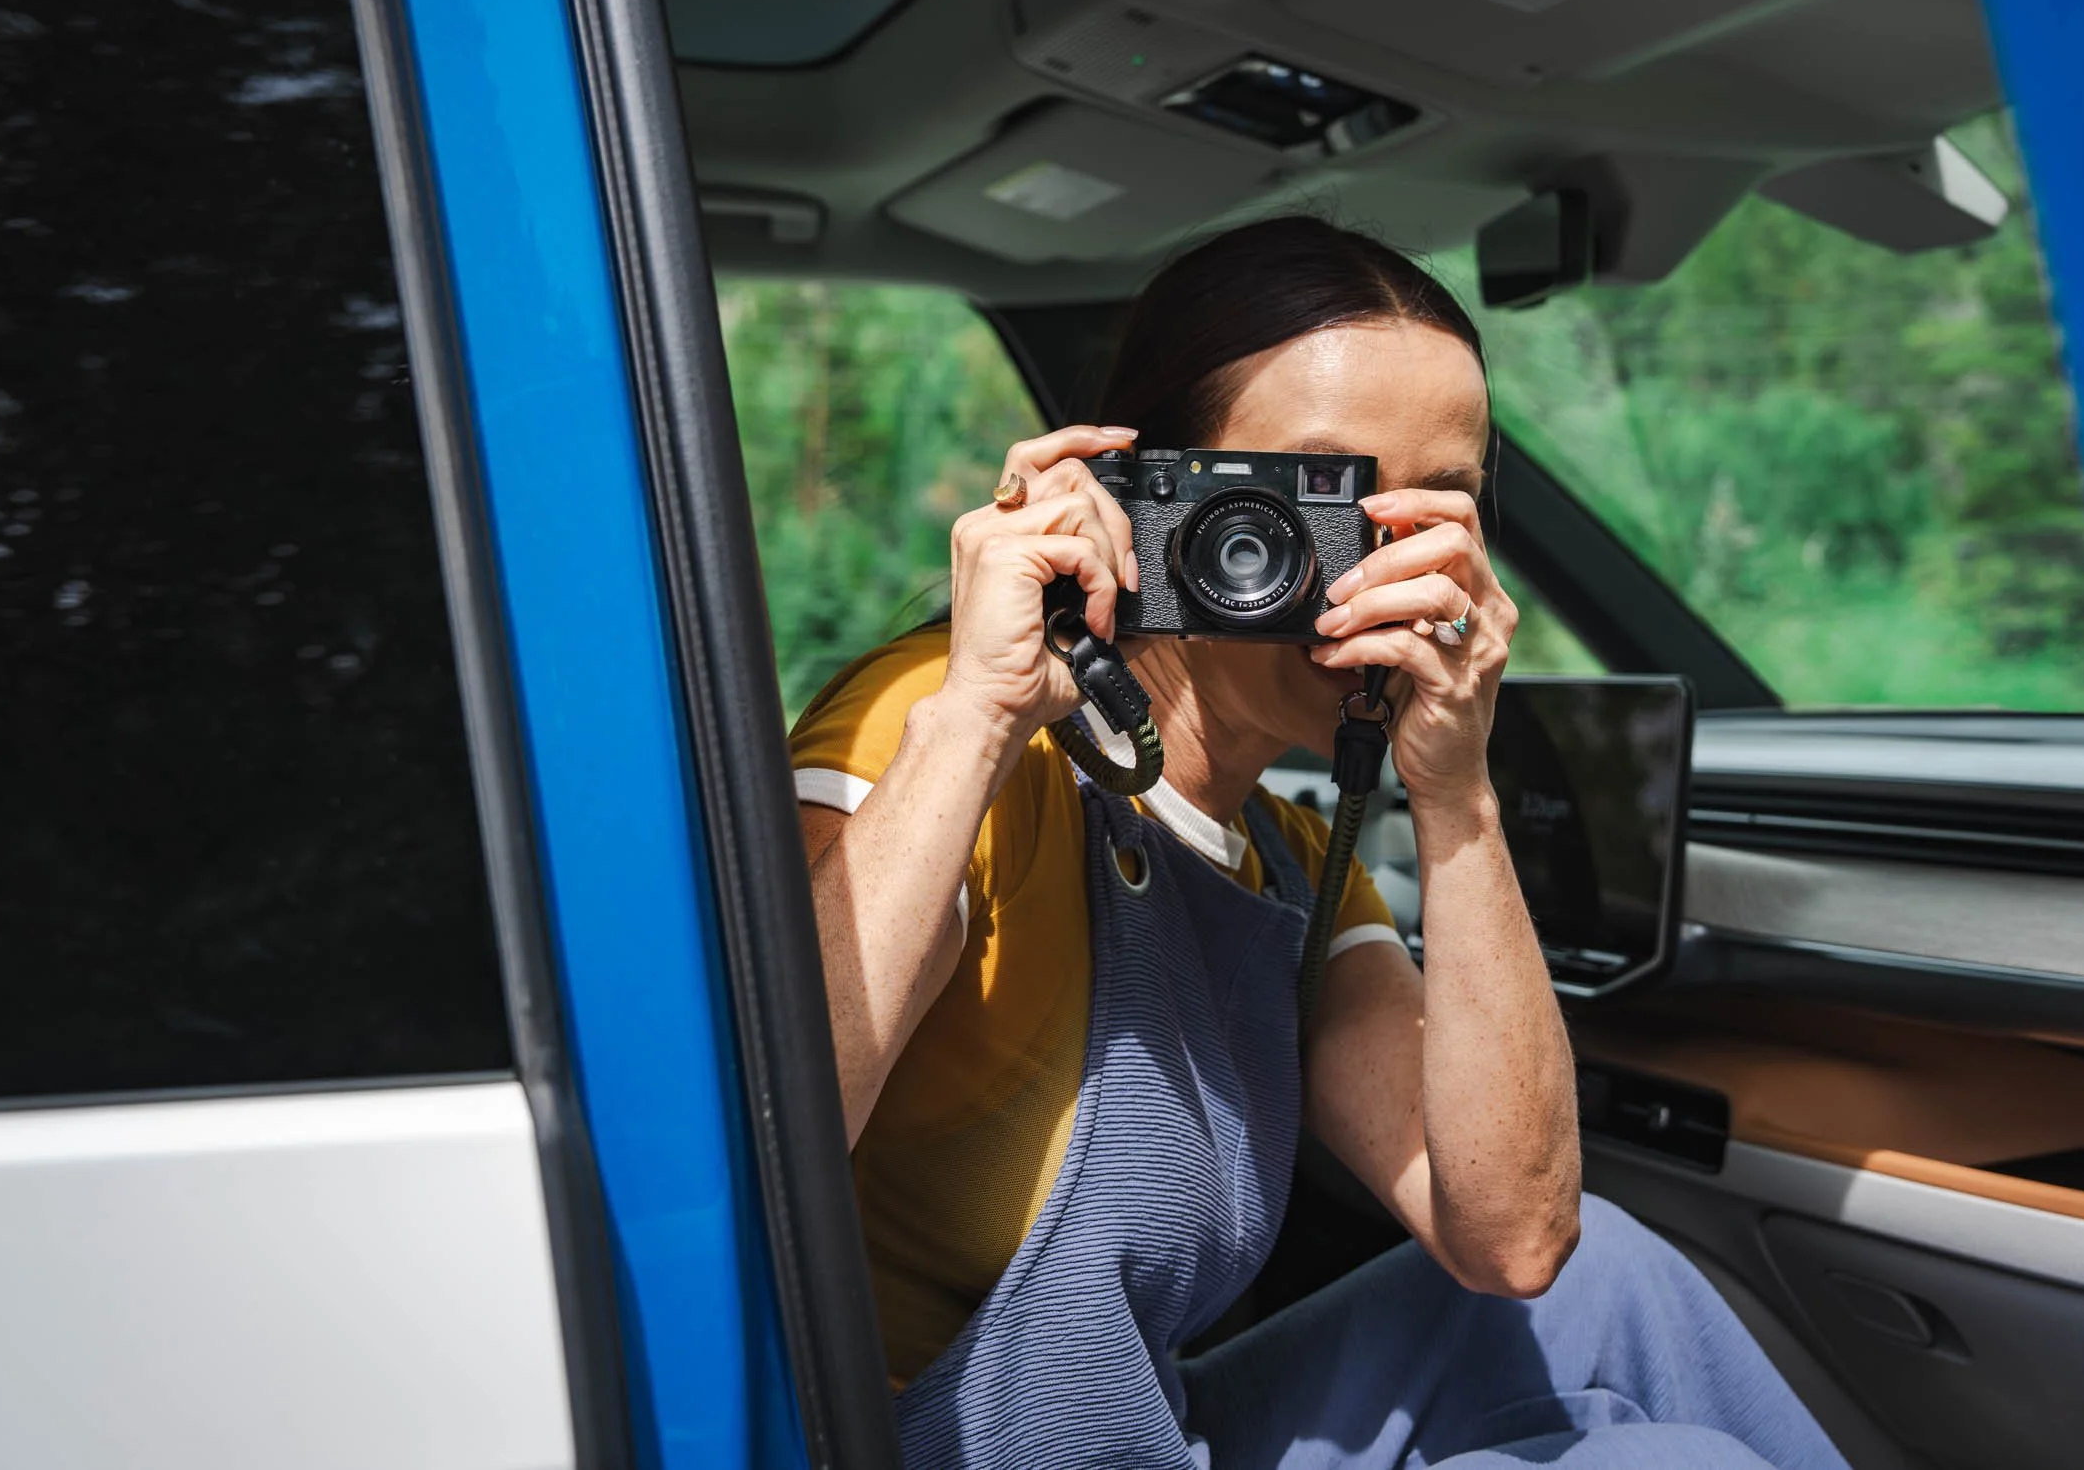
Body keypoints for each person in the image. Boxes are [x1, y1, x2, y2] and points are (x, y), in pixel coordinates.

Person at [791, 217, 1847, 1469]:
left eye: (1431, 509)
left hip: (1133, 1437)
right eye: (1310, 498)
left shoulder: (1290, 846)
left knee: (1603, 1278)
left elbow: (1512, 1236)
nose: (1367, 567)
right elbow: (754, 1132)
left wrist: (1456, 793)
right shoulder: (943, 733)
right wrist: (974, 713)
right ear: (1142, 495)